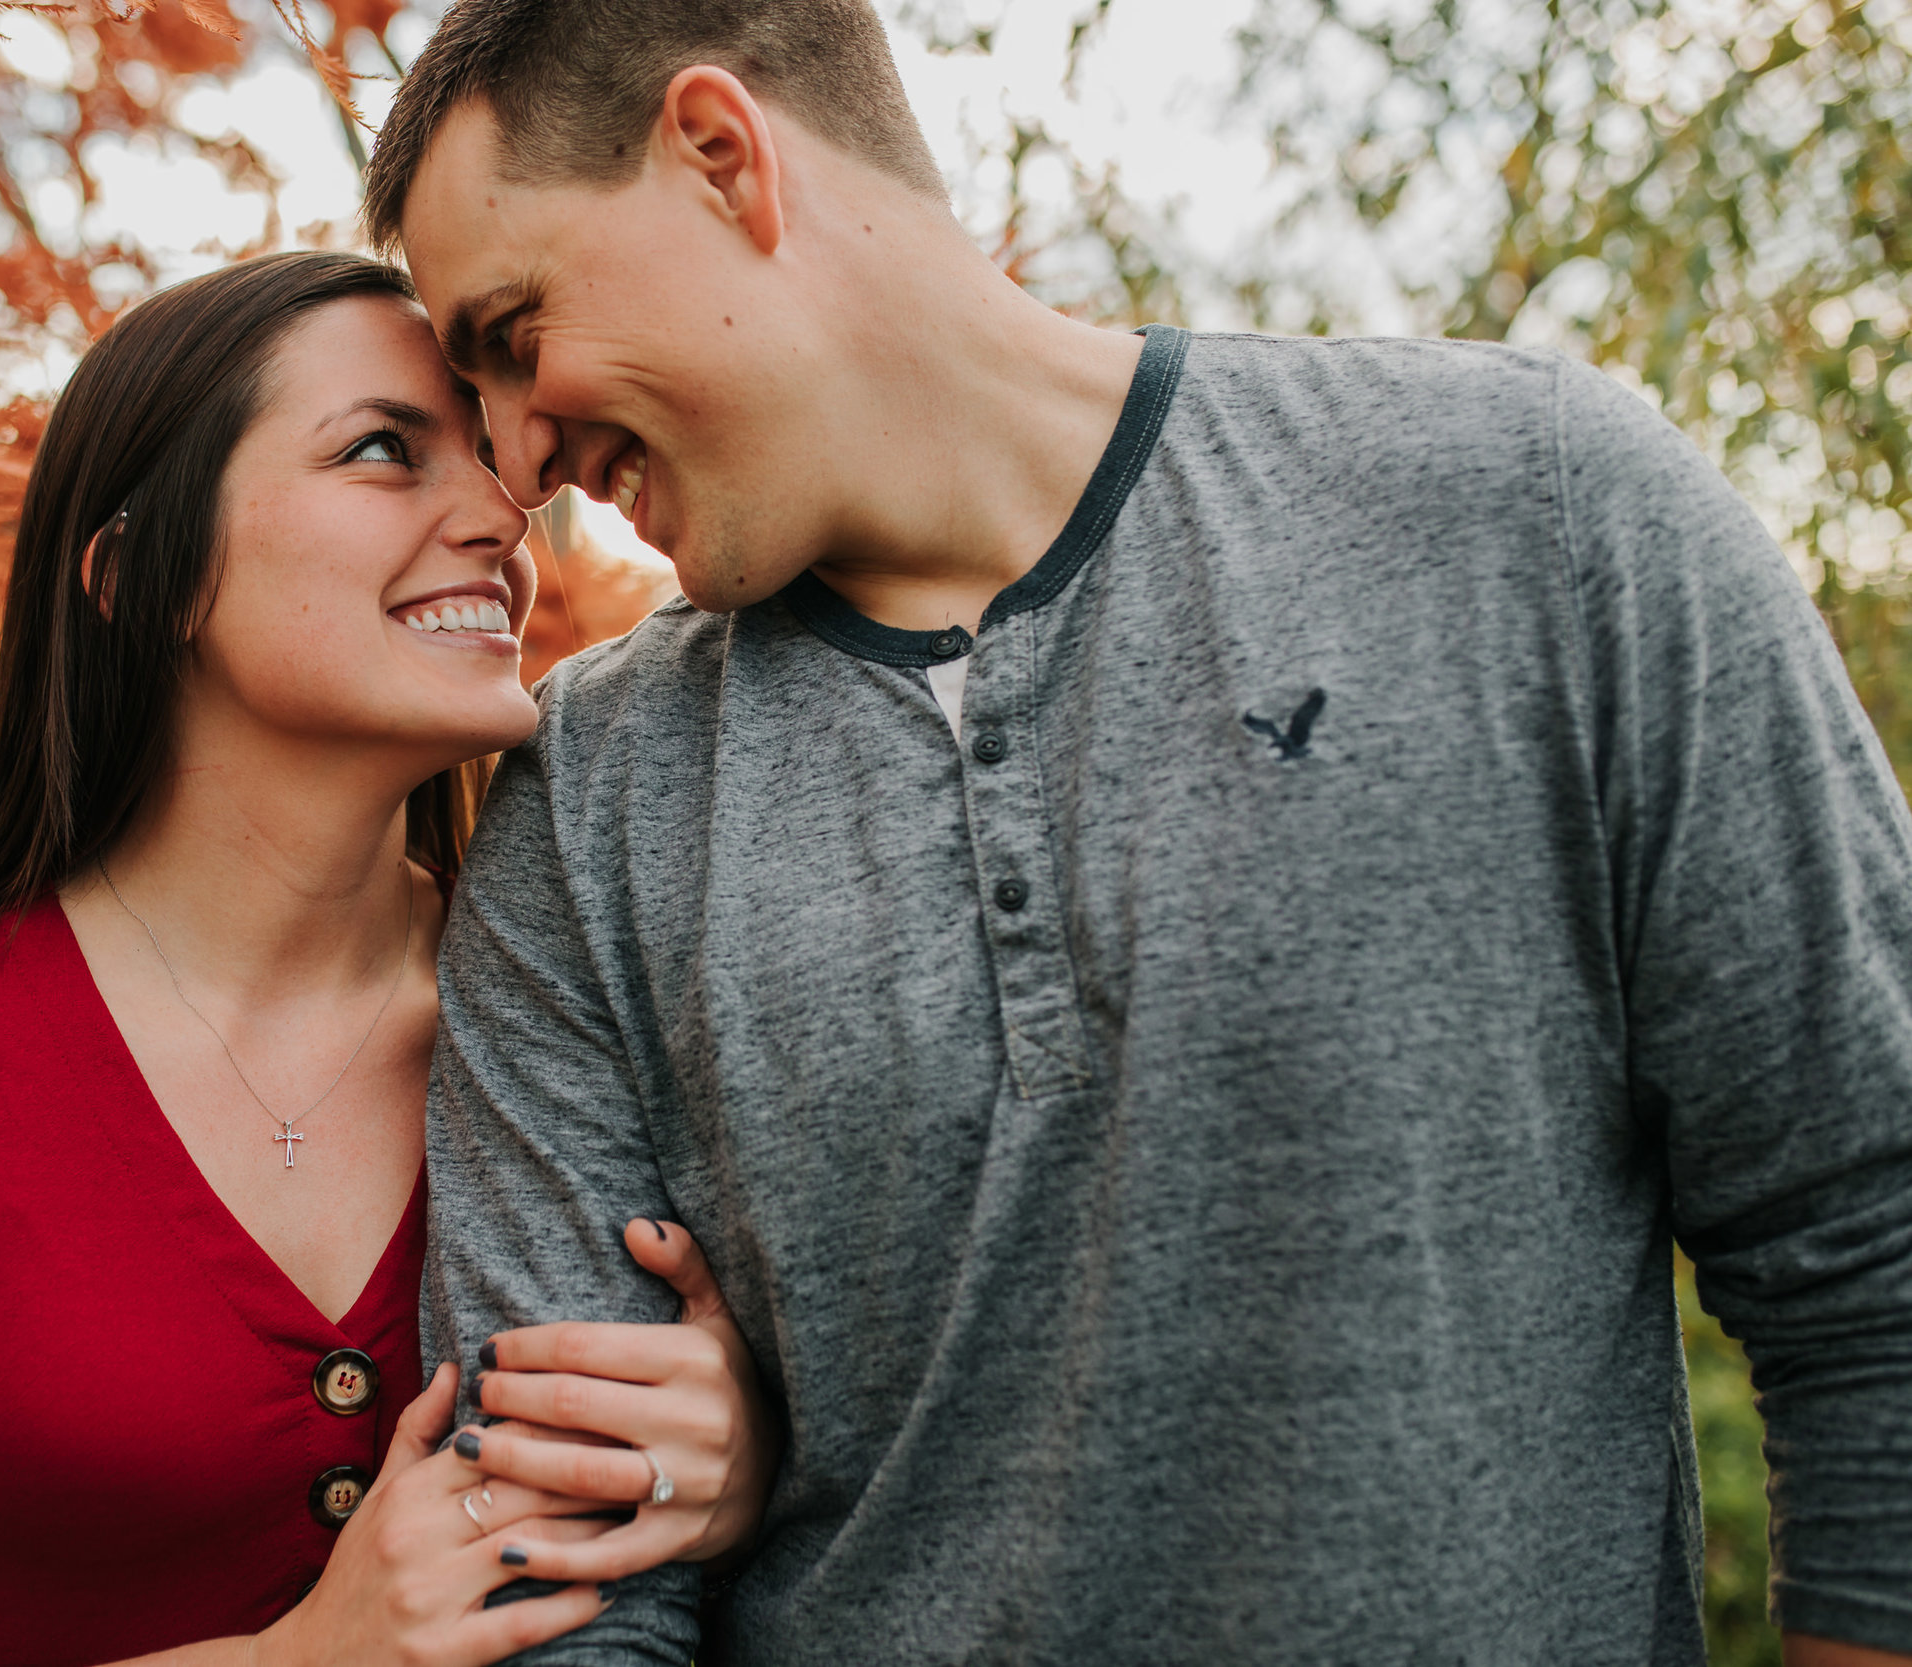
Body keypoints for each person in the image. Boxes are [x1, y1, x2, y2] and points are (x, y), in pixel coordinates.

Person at [358, 2, 1912, 1662]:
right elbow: (565, 1579)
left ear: (724, 158)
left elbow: (1877, 1265)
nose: (516, 458)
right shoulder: (587, 799)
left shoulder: (1533, 510)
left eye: (517, 331)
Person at [0, 251, 772, 1667]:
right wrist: (293, 1662)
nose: (502, 517)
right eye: (386, 450)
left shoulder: (618, 1012)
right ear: (144, 576)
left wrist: (755, 1466)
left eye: (495, 461)